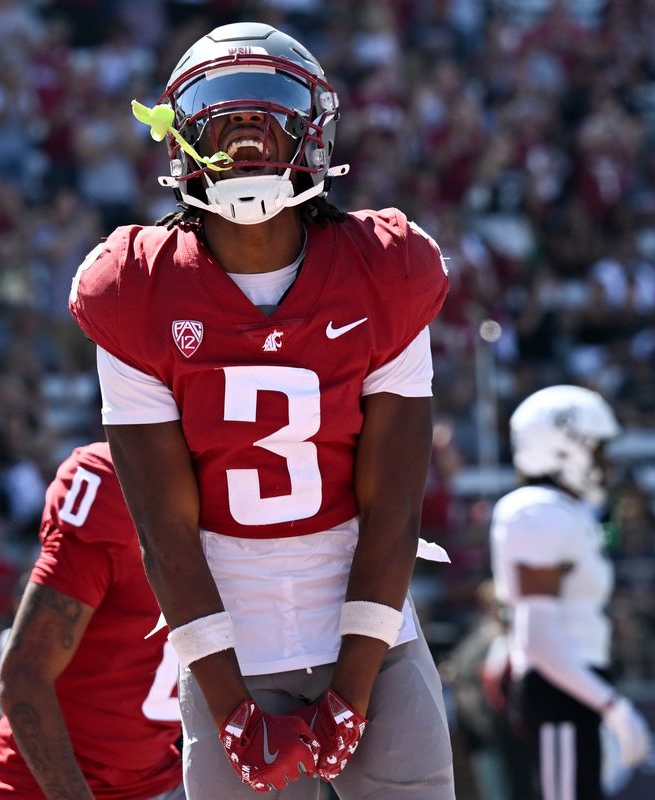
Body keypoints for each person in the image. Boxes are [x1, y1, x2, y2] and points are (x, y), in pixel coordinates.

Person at [70, 22, 454, 797]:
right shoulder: (135, 288)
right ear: (180, 139)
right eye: (222, 116)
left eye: (268, 114)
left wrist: (351, 691)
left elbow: (393, 513)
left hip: (377, 645)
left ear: (310, 134)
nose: (246, 138)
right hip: (226, 652)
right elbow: (165, 534)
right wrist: (232, 708)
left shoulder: (385, 269)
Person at [0, 442, 184, 799]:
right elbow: (21, 677)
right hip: (42, 786)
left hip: (162, 780)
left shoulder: (248, 496)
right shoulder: (114, 485)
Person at [489, 385, 651, 799]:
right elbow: (537, 638)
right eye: (597, 448)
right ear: (564, 448)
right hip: (559, 687)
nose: (604, 461)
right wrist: (610, 705)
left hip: (571, 685)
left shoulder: (560, 511)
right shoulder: (539, 512)